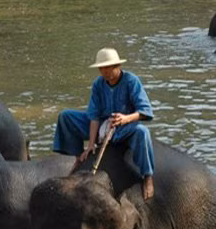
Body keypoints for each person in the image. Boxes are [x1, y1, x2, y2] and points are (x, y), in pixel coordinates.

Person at [52, 47, 155, 200]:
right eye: (101, 68)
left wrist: (125, 119)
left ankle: (148, 176)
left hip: (123, 126)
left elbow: (145, 111)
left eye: (107, 67)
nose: (104, 72)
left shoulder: (131, 81)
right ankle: (77, 156)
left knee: (142, 132)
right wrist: (91, 145)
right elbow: (93, 116)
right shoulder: (98, 84)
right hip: (102, 124)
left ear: (117, 66)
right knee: (66, 116)